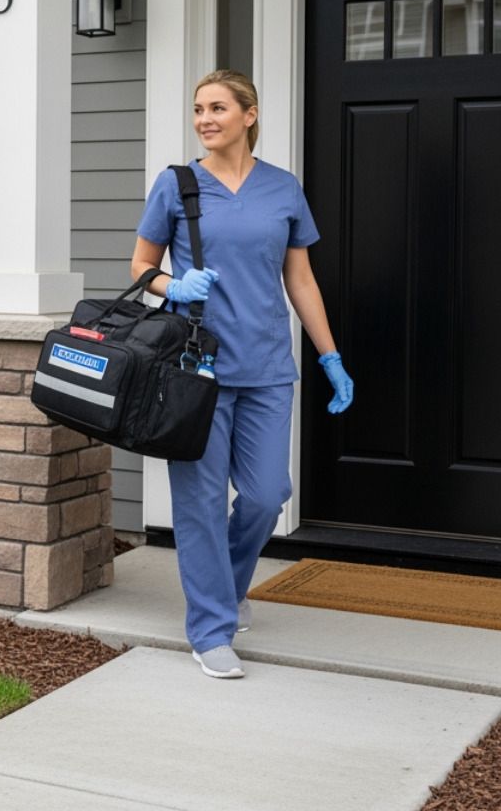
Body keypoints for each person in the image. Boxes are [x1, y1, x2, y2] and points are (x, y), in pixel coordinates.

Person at [131, 69, 353, 680]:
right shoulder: (176, 186)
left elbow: (300, 279)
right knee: (200, 502)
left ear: (249, 115)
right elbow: (142, 267)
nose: (205, 118)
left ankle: (224, 587)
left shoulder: (283, 189)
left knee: (265, 495)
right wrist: (176, 284)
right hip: (193, 371)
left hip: (267, 367)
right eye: (199, 108)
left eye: (219, 108)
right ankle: (210, 628)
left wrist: (329, 357)